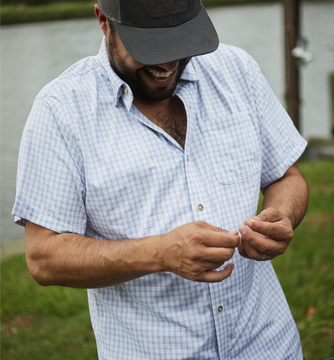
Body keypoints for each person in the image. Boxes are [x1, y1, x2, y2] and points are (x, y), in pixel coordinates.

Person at [12, 0, 309, 359]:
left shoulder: (237, 70)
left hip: (270, 346)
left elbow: (286, 176)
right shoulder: (61, 110)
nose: (167, 64)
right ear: (104, 20)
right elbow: (43, 256)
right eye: (150, 47)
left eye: (179, 41)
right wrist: (157, 254)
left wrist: (282, 214)